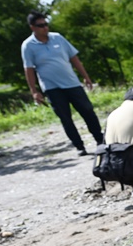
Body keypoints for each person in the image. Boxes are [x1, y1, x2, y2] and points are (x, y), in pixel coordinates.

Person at [21, 11, 104, 157]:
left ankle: (100, 140)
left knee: (88, 111)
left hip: (72, 83)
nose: (45, 28)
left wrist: (86, 77)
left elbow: (74, 58)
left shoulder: (57, 38)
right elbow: (28, 69)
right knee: (65, 118)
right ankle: (79, 146)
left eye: (46, 24)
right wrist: (34, 91)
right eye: (40, 25)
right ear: (32, 27)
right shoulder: (28, 46)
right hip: (52, 87)